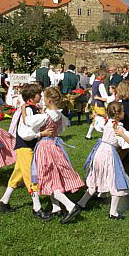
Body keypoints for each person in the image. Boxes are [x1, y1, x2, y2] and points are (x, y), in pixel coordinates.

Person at [0, 83, 54, 219]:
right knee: (31, 177)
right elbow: (25, 133)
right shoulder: (28, 109)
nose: (40, 96)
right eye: (39, 94)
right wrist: (41, 134)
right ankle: (37, 207)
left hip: (28, 146)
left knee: (18, 174)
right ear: (32, 96)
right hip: (25, 146)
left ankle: (3, 202)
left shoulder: (32, 108)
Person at [30, 86, 85, 224]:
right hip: (55, 146)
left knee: (47, 179)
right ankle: (56, 208)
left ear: (48, 101)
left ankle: (70, 206)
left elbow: (30, 125)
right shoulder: (60, 116)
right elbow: (60, 129)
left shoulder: (44, 116)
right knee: (53, 176)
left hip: (44, 147)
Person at [76, 102, 129, 219]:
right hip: (109, 154)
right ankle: (113, 212)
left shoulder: (107, 123)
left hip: (99, 152)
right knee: (116, 180)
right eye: (123, 111)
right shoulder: (119, 128)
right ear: (118, 114)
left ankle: (81, 203)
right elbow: (125, 143)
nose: (124, 113)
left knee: (96, 177)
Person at [85, 68, 109, 140]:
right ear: (102, 75)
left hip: (93, 103)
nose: (105, 78)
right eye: (105, 76)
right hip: (99, 104)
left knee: (95, 119)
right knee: (105, 118)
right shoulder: (100, 84)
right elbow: (105, 96)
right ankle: (106, 136)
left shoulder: (94, 82)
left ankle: (88, 135)